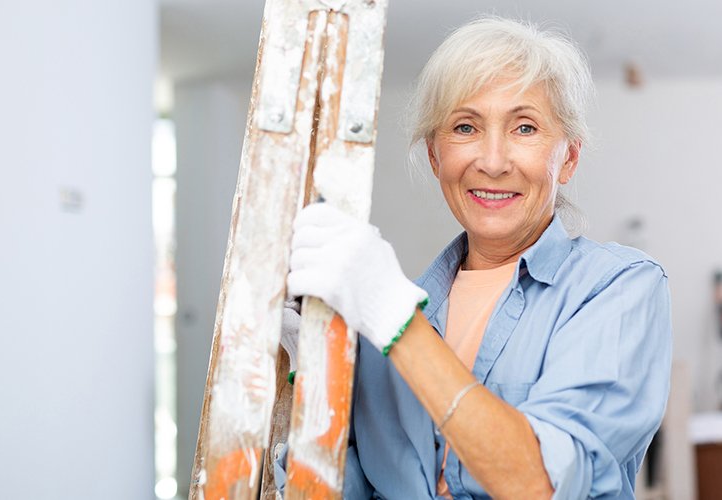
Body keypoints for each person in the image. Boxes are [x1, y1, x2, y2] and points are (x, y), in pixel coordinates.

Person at [280, 16, 672, 499]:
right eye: (465, 127)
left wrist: (395, 320)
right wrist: (312, 377)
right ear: (435, 156)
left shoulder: (618, 289)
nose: (492, 160)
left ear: (567, 158)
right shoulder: (385, 324)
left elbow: (538, 484)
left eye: (524, 127)